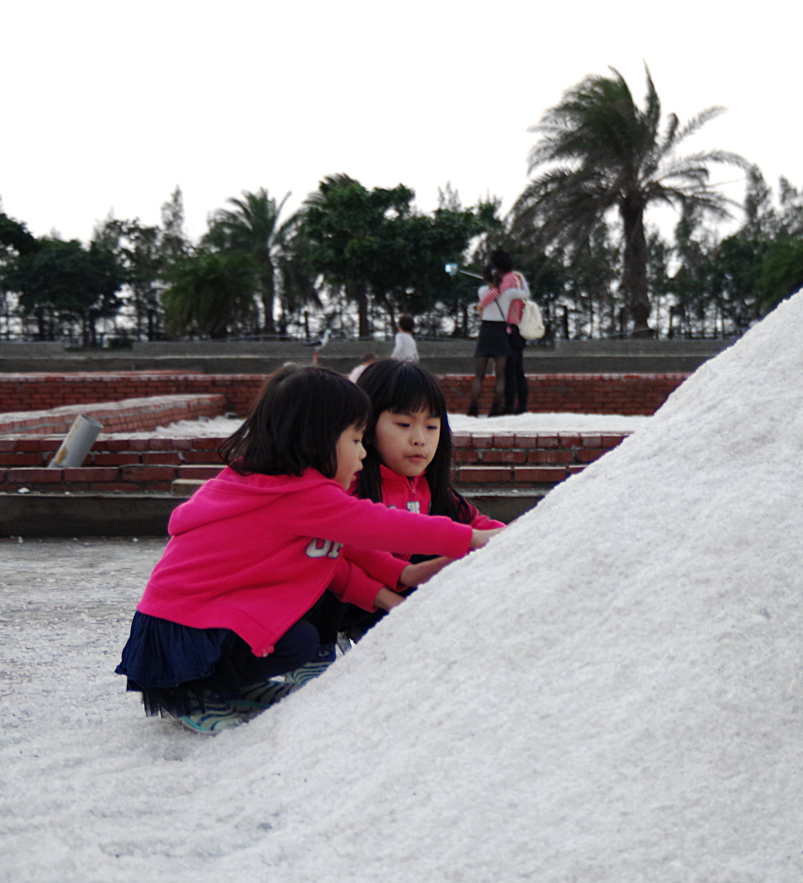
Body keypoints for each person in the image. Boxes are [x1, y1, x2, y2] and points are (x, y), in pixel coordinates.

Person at [114, 364, 500, 733]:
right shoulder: (299, 495)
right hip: (185, 630)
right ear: (318, 439)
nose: (362, 452)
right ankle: (194, 694)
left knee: (298, 641)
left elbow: (335, 558)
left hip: (202, 620)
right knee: (294, 639)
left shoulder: (283, 489)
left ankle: (232, 687)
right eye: (354, 440)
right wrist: (470, 539)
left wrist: (390, 591)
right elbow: (384, 527)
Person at [314, 359, 505, 643]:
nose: (419, 439)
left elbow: (480, 527)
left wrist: (524, 532)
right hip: (345, 602)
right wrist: (399, 578)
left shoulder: (434, 490)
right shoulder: (346, 486)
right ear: (364, 426)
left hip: (395, 599)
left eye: (431, 426)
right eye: (404, 424)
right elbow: (345, 551)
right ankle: (322, 648)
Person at [468, 249, 527, 417]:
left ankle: (473, 408)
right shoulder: (508, 293)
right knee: (500, 376)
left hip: (486, 330)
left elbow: (482, 306)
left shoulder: (482, 292)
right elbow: (523, 294)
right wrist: (513, 280)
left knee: (479, 375)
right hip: (501, 331)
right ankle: (496, 408)